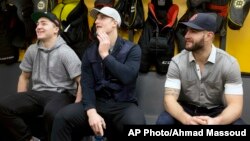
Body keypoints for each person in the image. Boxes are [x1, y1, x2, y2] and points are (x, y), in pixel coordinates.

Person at [51, 7, 145, 141]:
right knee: (62, 117)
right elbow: (87, 84)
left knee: (137, 126)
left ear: (115, 23)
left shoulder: (133, 49)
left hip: (123, 105)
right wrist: (91, 111)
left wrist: (105, 55)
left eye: (102, 18)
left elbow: (128, 77)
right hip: (97, 103)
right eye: (96, 18)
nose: (96, 21)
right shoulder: (89, 50)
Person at [0, 12, 82, 141]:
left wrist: (77, 105)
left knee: (51, 112)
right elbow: (24, 77)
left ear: (56, 29)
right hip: (37, 94)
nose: (38, 27)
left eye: (44, 23)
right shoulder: (32, 50)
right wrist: (21, 100)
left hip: (61, 94)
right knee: (3, 106)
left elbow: (81, 80)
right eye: (37, 24)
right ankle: (29, 139)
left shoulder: (65, 52)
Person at [156, 12, 245, 125]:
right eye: (187, 30)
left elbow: (236, 106)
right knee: (163, 122)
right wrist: (186, 119)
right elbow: (169, 99)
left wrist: (216, 121)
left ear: (209, 36)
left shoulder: (229, 63)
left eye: (193, 31)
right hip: (185, 109)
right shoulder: (177, 61)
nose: (186, 36)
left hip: (215, 111)